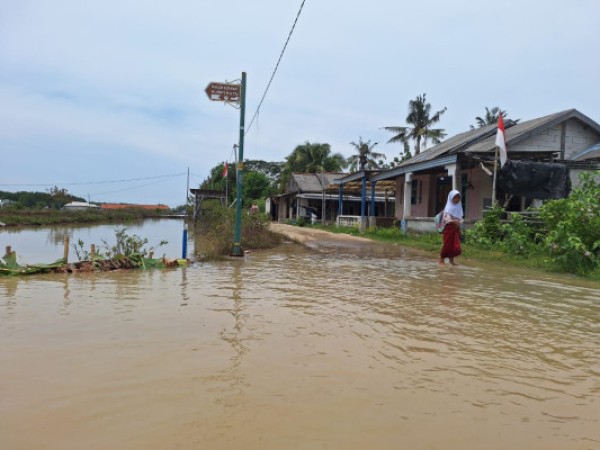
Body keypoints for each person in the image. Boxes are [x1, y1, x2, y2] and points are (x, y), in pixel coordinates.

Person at [439, 189, 464, 265]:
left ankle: (451, 260)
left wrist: (459, 231)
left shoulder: (459, 208)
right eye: (455, 197)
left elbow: (459, 219)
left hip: (455, 230)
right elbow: (447, 219)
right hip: (449, 230)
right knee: (447, 245)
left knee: (455, 246)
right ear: (450, 198)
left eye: (458, 197)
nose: (457, 199)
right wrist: (454, 222)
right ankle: (441, 260)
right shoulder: (447, 209)